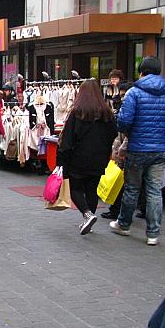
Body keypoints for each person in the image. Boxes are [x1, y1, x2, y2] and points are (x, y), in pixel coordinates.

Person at [110, 57, 165, 245]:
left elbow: (124, 121)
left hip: (137, 148)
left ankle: (124, 224)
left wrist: (132, 132)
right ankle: (153, 233)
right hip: (160, 148)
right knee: (154, 191)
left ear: (141, 72)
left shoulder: (134, 93)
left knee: (132, 188)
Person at [57, 79, 118, 235]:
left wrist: (62, 159)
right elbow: (114, 133)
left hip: (79, 158)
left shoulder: (77, 112)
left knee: (75, 188)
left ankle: (87, 214)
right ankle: (88, 218)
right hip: (99, 158)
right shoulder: (107, 113)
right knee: (92, 189)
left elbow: (67, 139)